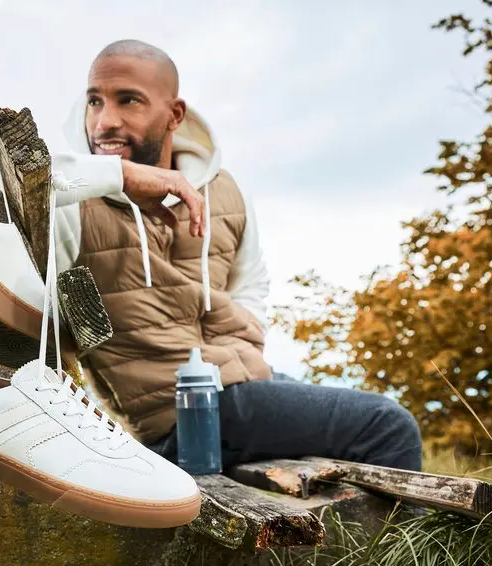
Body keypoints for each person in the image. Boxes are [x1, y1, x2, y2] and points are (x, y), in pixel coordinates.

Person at [50, 39, 423, 472]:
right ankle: (405, 544)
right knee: (388, 426)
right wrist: (116, 175)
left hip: (240, 382)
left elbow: (251, 280)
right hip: (175, 416)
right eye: (95, 101)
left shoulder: (223, 189)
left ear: (174, 114)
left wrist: (242, 335)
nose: (104, 122)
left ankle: (354, 540)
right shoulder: (70, 200)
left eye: (128, 101)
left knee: (347, 430)